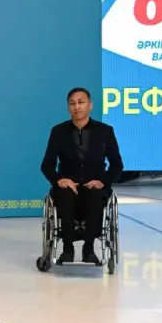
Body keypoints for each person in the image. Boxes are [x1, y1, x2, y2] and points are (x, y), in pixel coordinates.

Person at [40, 87, 124, 265]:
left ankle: (89, 248)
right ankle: (67, 248)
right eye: (72, 103)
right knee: (65, 195)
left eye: (81, 102)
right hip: (68, 185)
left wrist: (103, 182)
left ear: (90, 105)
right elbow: (47, 165)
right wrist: (59, 180)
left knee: (95, 196)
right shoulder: (58, 131)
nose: (77, 107)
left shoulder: (105, 131)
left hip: (95, 185)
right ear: (68, 107)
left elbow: (117, 165)